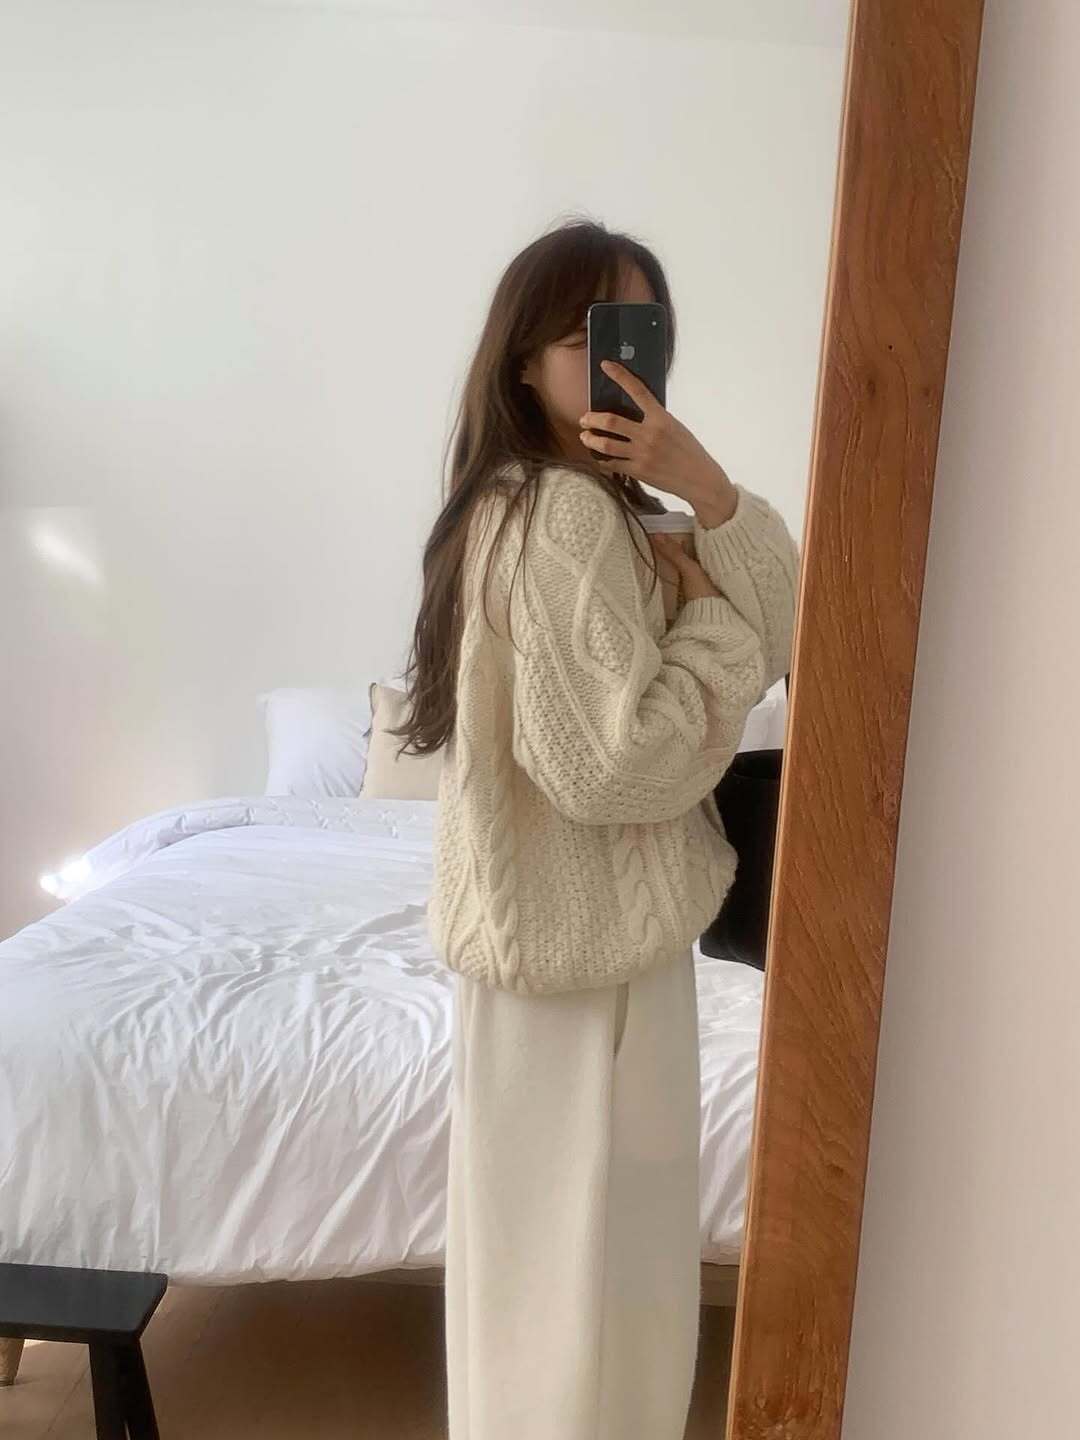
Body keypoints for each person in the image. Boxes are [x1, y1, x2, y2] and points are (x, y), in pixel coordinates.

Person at [388, 217, 800, 1440]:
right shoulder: (562, 516)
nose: (621, 362)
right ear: (525, 361)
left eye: (640, 332)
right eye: (588, 337)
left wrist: (710, 490)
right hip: (578, 967)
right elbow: (616, 767)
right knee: (586, 1298)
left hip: (589, 948)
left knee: (561, 1291)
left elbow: (790, 626)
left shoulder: (598, 508)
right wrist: (711, 630)